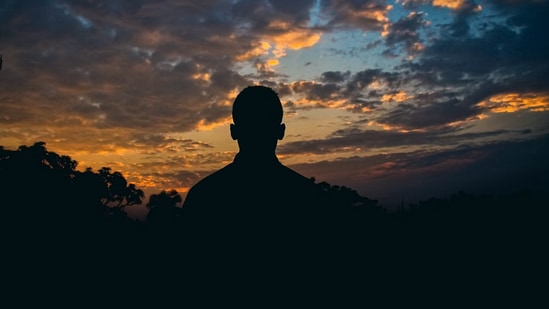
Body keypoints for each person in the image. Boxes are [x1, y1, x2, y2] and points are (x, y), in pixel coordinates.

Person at [181, 85, 327, 248]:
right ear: (281, 131)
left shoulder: (204, 196)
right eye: (253, 125)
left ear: (233, 131)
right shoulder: (307, 196)